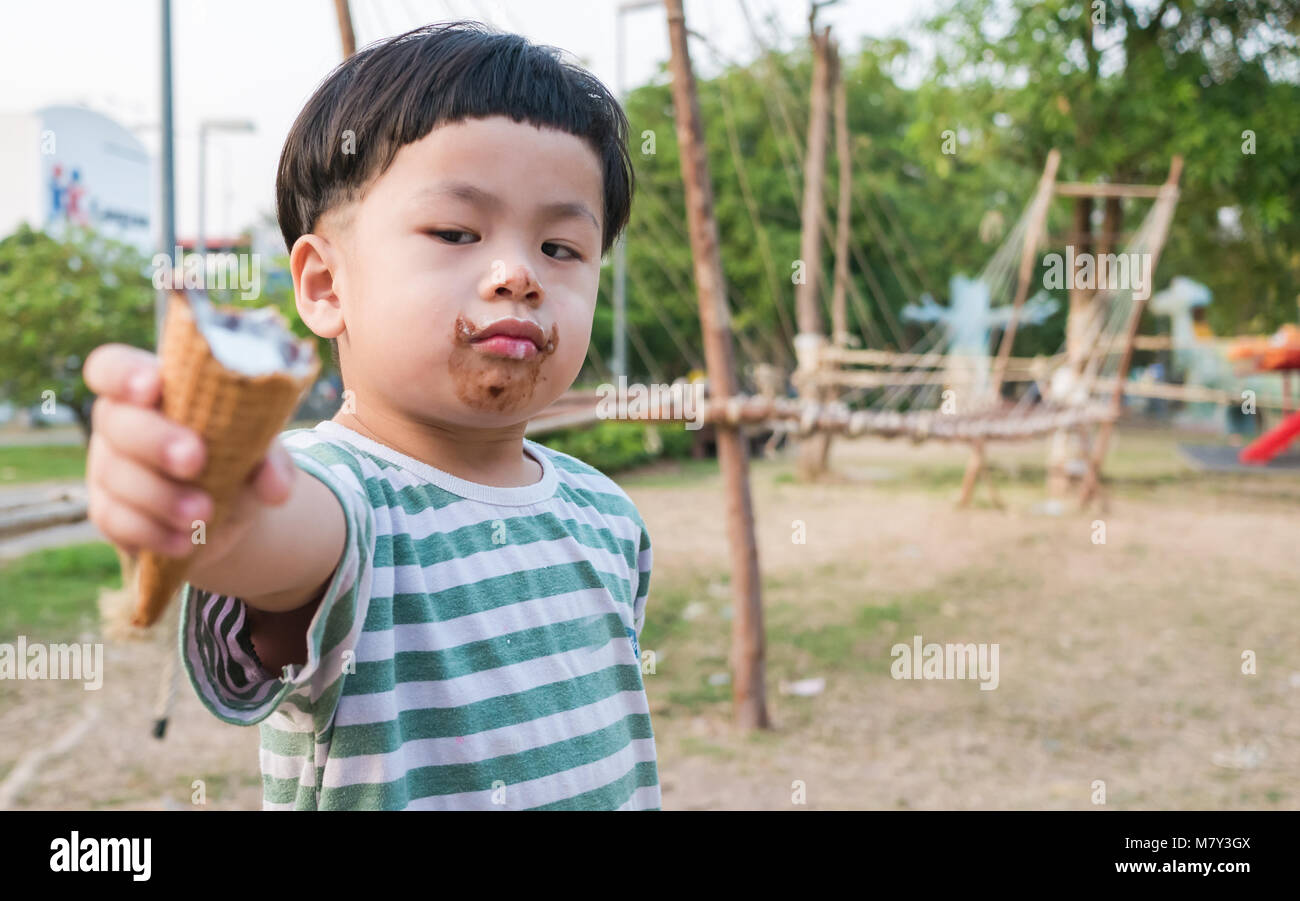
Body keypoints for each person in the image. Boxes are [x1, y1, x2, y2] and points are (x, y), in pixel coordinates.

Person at [81, 22, 658, 810]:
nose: (518, 273)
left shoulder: (609, 515)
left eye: (562, 248)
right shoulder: (345, 500)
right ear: (323, 285)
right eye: (457, 232)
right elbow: (268, 538)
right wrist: (211, 496)